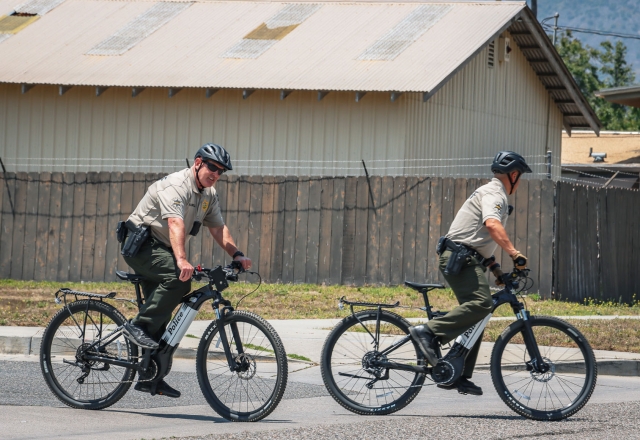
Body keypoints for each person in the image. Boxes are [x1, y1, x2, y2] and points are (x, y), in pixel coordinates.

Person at [120, 143, 251, 398]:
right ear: (198, 162)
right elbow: (175, 223)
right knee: (179, 282)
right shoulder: (177, 185)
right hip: (141, 245)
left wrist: (237, 254)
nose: (215, 174)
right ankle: (137, 326)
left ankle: (152, 378)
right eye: (212, 167)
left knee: (166, 311)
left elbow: (218, 228)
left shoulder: (208, 195)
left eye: (221, 171)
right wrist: (181, 259)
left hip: (163, 248)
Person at [409, 151, 531, 396]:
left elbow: (478, 240)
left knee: (478, 314)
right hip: (459, 258)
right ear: (514, 174)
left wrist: (496, 268)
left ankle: (458, 373)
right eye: (521, 177)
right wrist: (514, 253)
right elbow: (491, 225)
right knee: (481, 304)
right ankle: (428, 332)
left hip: (466, 257)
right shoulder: (494, 193)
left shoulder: (492, 193)